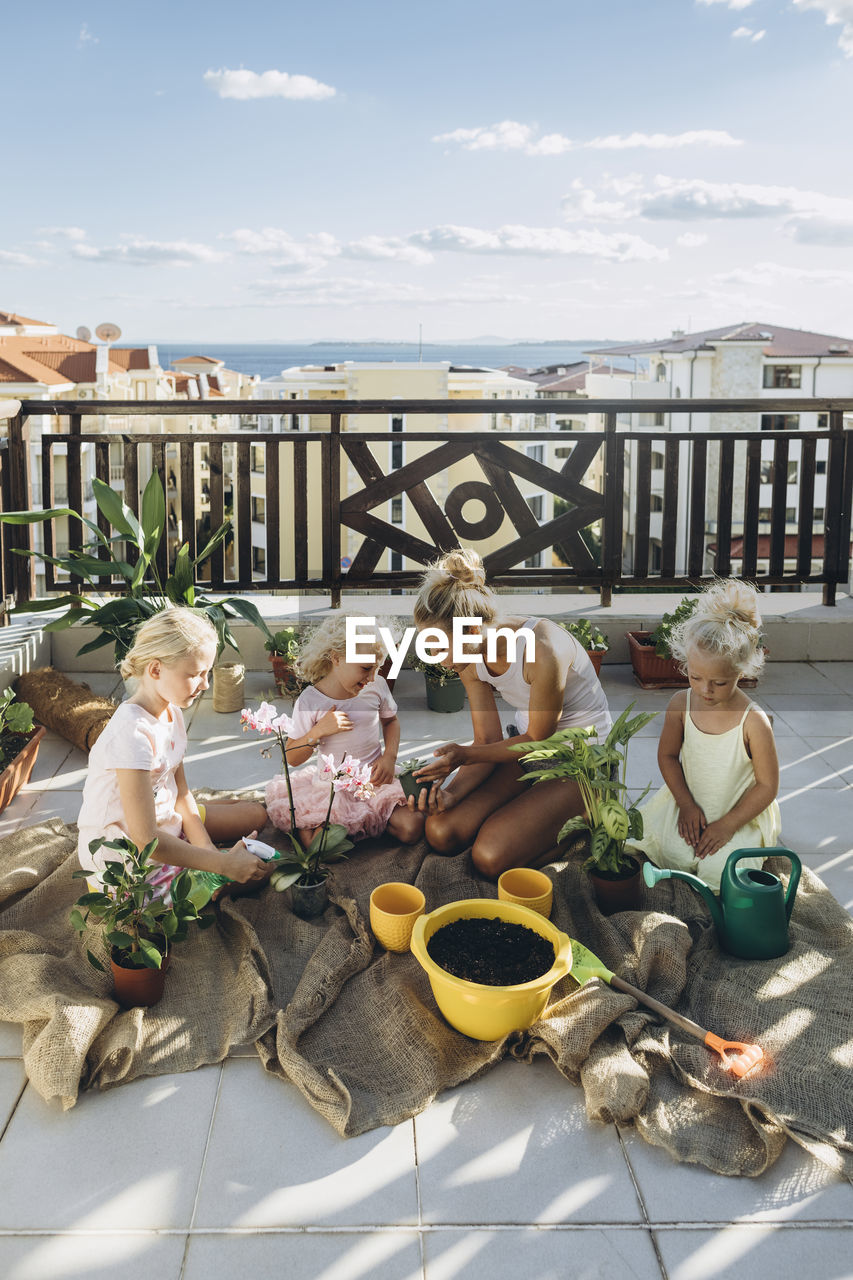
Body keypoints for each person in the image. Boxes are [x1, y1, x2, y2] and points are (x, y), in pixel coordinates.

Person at [412, 548, 612, 879]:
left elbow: (538, 739)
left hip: (581, 762)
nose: (437, 658)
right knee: (440, 831)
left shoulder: (541, 649)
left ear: (472, 632)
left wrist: (464, 756)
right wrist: (450, 794)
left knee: (489, 856)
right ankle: (531, 819)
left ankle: (588, 811)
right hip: (522, 753)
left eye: (440, 647)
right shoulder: (468, 657)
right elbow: (488, 740)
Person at [77, 608, 270, 896]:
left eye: (207, 673)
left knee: (256, 814)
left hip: (165, 820)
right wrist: (222, 865)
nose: (205, 684)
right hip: (131, 862)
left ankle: (203, 856)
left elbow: (181, 794)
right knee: (260, 873)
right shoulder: (131, 734)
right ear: (156, 670)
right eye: (196, 674)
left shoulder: (172, 713)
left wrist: (209, 854)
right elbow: (145, 840)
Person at [635, 579, 781, 893]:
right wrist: (686, 804)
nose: (705, 690)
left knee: (721, 870)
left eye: (719, 682)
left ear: (742, 672)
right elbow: (667, 756)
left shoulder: (753, 721)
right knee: (674, 855)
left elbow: (768, 786)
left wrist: (728, 825)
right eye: (695, 676)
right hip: (689, 803)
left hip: (737, 813)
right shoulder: (680, 705)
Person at [265, 614, 425, 845]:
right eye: (365, 668)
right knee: (322, 846)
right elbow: (292, 756)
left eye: (378, 668)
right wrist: (318, 731)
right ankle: (310, 827)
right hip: (332, 790)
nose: (372, 677)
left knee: (413, 828)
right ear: (336, 658)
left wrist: (389, 757)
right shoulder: (310, 701)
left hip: (373, 782)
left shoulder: (376, 686)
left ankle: (368, 820)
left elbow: (390, 721)